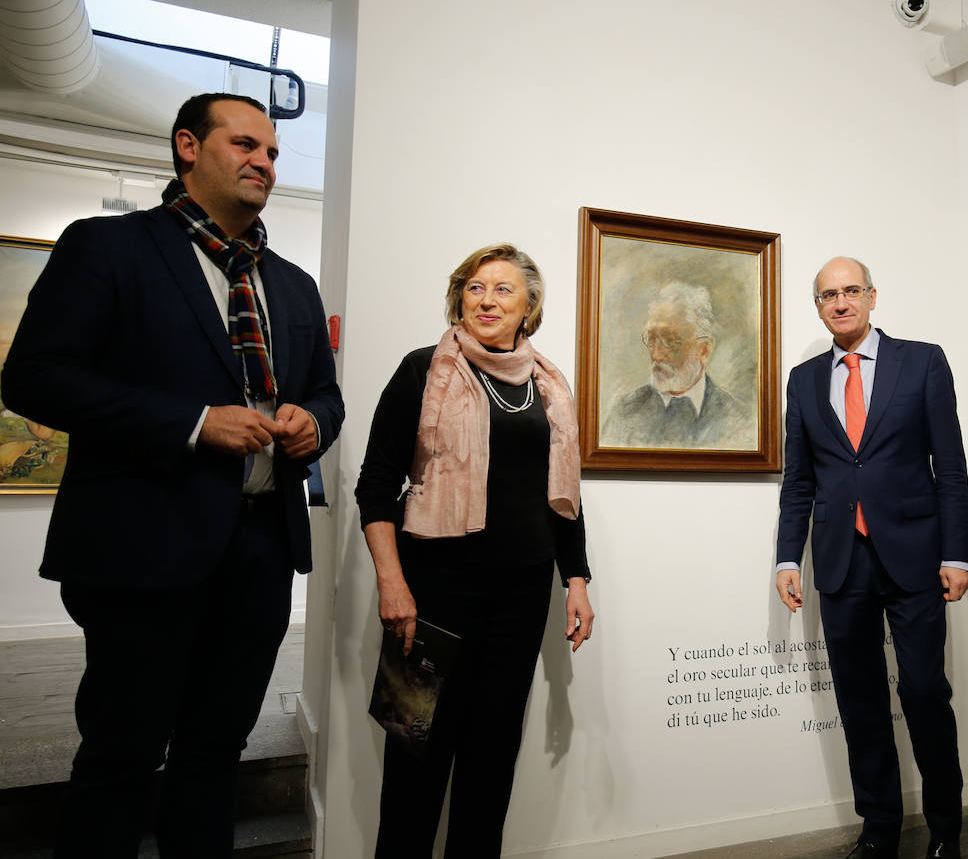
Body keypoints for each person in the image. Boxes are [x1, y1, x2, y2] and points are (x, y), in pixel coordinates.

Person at [1, 92, 344, 856]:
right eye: (246, 144)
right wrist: (195, 421)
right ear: (188, 146)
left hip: (258, 551)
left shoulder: (290, 283)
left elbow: (326, 393)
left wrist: (311, 423)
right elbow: (34, 379)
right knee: (122, 756)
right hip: (141, 547)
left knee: (216, 751)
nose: (265, 161)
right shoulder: (107, 247)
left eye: (275, 152)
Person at [356, 243, 595, 857]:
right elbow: (376, 484)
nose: (487, 300)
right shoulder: (421, 370)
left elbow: (561, 493)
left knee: (492, 760)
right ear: (459, 299)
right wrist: (391, 581)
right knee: (415, 757)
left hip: (518, 599)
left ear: (529, 307)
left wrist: (576, 579)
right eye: (475, 288)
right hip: (432, 594)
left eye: (503, 290)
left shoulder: (548, 386)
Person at [775, 257, 968, 859]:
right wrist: (788, 558)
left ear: (872, 296)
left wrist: (958, 553)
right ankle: (879, 828)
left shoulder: (923, 360)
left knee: (923, 692)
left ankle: (945, 829)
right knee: (859, 701)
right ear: (818, 306)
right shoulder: (805, 378)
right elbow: (799, 480)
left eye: (851, 291)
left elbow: (951, 468)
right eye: (828, 295)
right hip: (839, 561)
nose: (841, 303)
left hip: (914, 556)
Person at [601, 281, 753, 449]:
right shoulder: (625, 413)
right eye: (651, 340)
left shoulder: (740, 418)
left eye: (670, 341)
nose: (656, 355)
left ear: (704, 349)